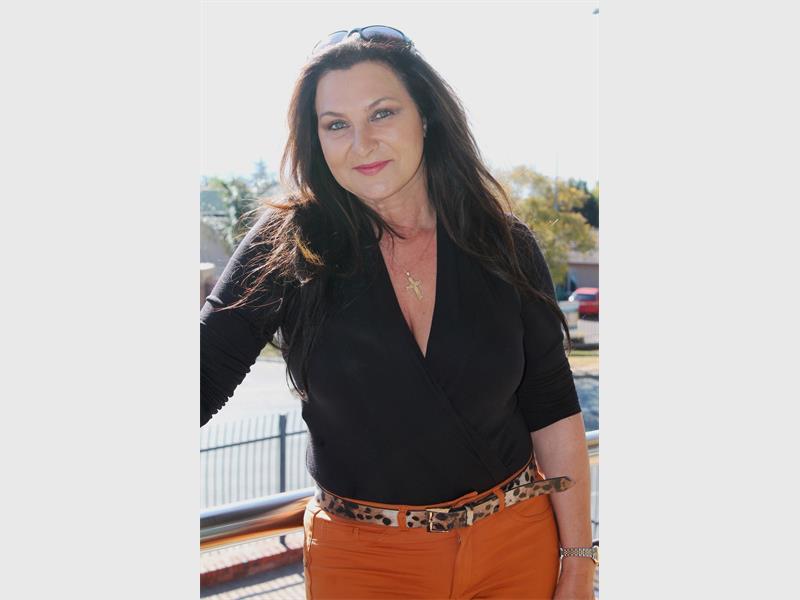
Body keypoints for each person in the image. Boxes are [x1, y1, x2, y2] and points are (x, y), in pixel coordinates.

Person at [201, 26, 596, 600]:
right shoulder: (286, 246)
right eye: (336, 124)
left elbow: (552, 407)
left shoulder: (503, 245)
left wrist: (578, 563)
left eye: (382, 114)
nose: (361, 143)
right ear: (316, 139)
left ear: (426, 117)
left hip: (514, 548)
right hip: (364, 564)